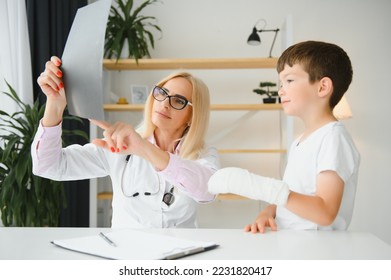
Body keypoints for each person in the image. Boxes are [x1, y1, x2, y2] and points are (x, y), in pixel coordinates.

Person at [32, 56, 219, 228]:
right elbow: (49, 166)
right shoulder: (120, 145)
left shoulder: (203, 154)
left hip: (180, 258)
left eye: (178, 100)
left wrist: (144, 149)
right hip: (127, 255)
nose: (164, 103)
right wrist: (55, 105)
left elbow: (207, 191)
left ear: (192, 116)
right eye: (162, 92)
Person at [208, 41, 360, 233]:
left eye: (289, 80)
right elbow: (294, 197)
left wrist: (260, 187)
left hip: (319, 250)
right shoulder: (300, 141)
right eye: (281, 83)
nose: (281, 89)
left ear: (322, 87)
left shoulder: (333, 138)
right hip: (293, 243)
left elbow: (325, 213)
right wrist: (269, 212)